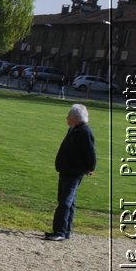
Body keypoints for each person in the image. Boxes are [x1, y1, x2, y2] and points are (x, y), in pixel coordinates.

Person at [47, 104, 96, 242]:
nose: (67, 117)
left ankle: (60, 231)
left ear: (75, 118)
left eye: (69, 115)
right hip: (66, 170)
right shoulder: (74, 129)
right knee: (69, 201)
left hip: (73, 172)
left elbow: (90, 152)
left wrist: (90, 167)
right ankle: (66, 230)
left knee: (65, 202)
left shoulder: (84, 132)